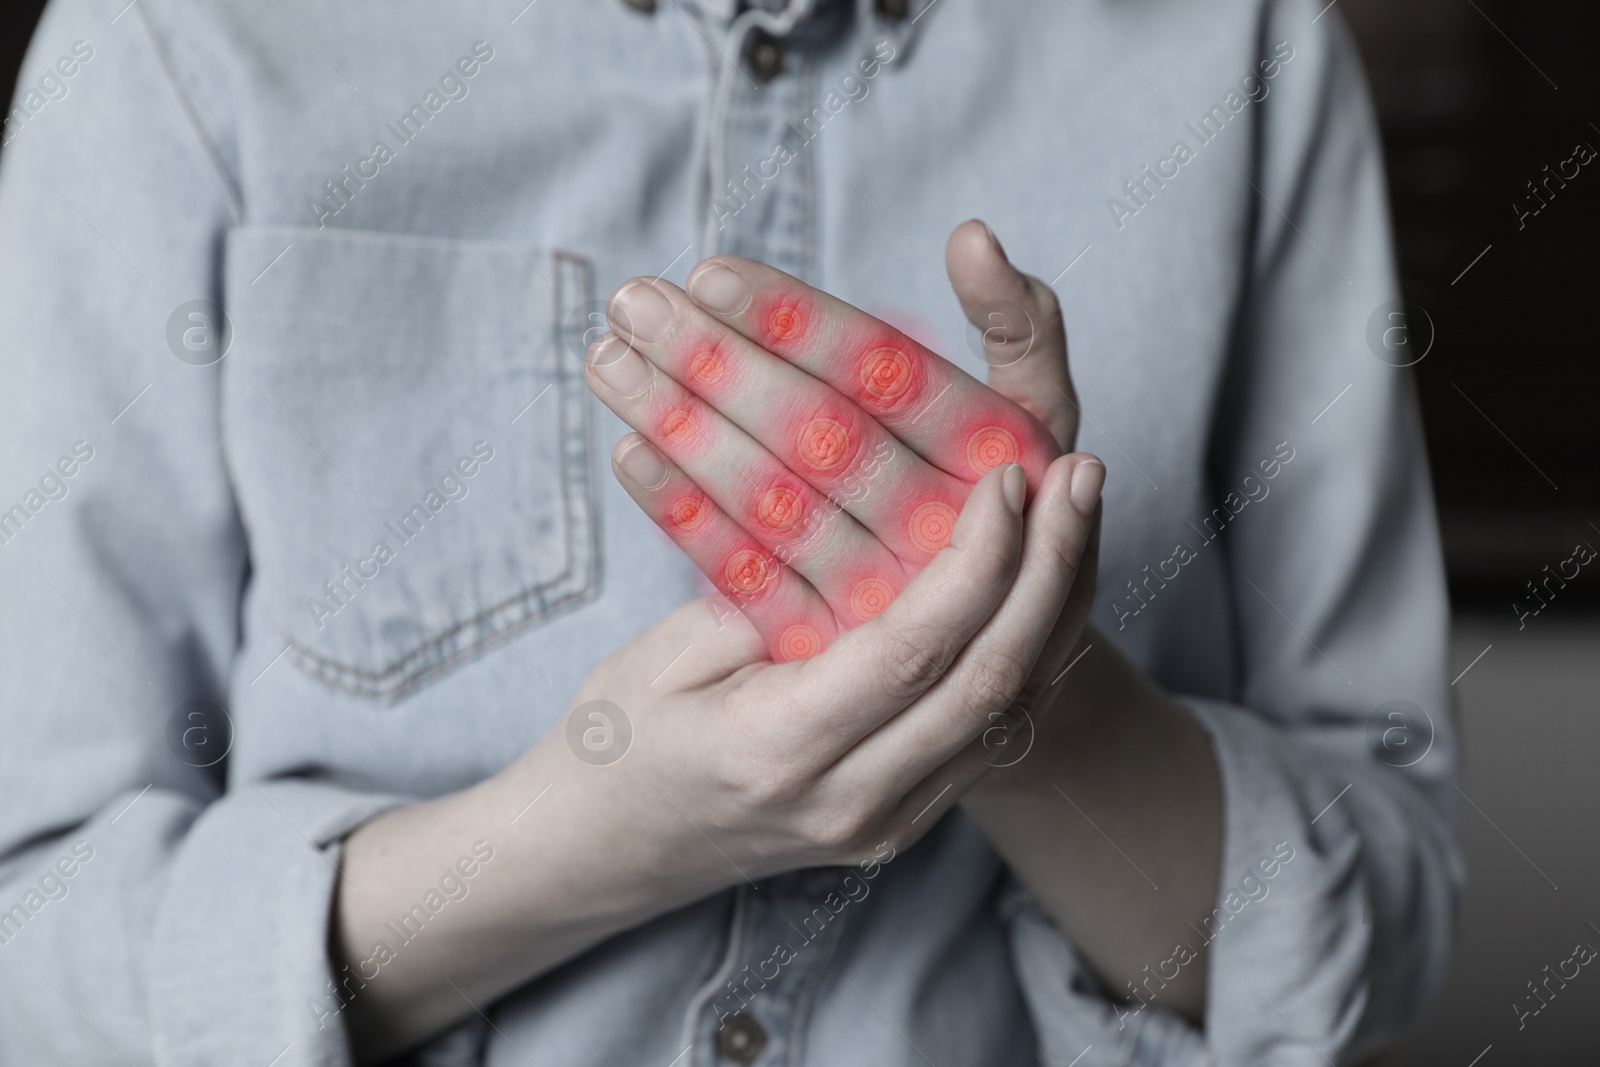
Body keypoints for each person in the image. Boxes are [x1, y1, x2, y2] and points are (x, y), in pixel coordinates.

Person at [0, 0, 1459, 1064]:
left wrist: (1026, 694)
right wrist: (588, 842)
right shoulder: (176, 42)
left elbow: (1386, 928)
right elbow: (31, 931)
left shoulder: (1235, 44)